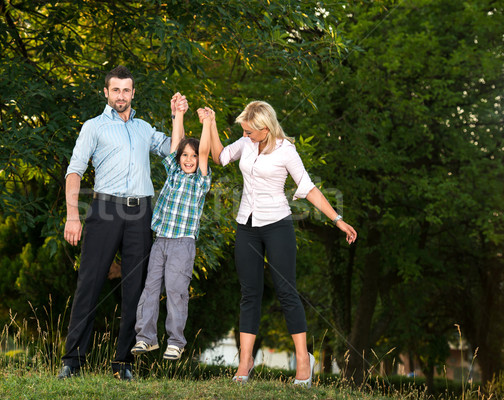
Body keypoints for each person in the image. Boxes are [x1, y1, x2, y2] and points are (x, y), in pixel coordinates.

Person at [209, 100, 357, 387]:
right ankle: (245, 361)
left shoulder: (286, 150)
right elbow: (220, 158)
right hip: (246, 225)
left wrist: (338, 219)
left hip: (277, 225)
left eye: (250, 131)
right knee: (249, 293)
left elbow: (308, 187)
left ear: (265, 129)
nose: (246, 135)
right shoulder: (246, 142)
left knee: (287, 291)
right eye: (244, 131)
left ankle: (304, 360)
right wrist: (211, 123)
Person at [57, 65, 189, 381]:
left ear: (132, 93)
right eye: (115, 90)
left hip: (141, 212)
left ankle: (123, 363)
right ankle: (73, 362)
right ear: (106, 92)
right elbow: (74, 171)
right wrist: (72, 216)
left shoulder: (144, 128)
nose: (121, 95)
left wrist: (178, 116)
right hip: (104, 210)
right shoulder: (93, 127)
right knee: (89, 284)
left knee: (137, 289)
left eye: (126, 90)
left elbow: (177, 152)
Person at [130, 107, 213, 361]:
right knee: (150, 289)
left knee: (176, 291)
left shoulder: (200, 180)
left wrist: (207, 123)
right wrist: (177, 114)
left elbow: (206, 151)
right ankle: (146, 338)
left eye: (193, 156)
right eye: (185, 155)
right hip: (160, 241)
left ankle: (176, 341)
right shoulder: (174, 173)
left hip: (182, 244)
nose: (189, 159)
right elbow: (176, 144)